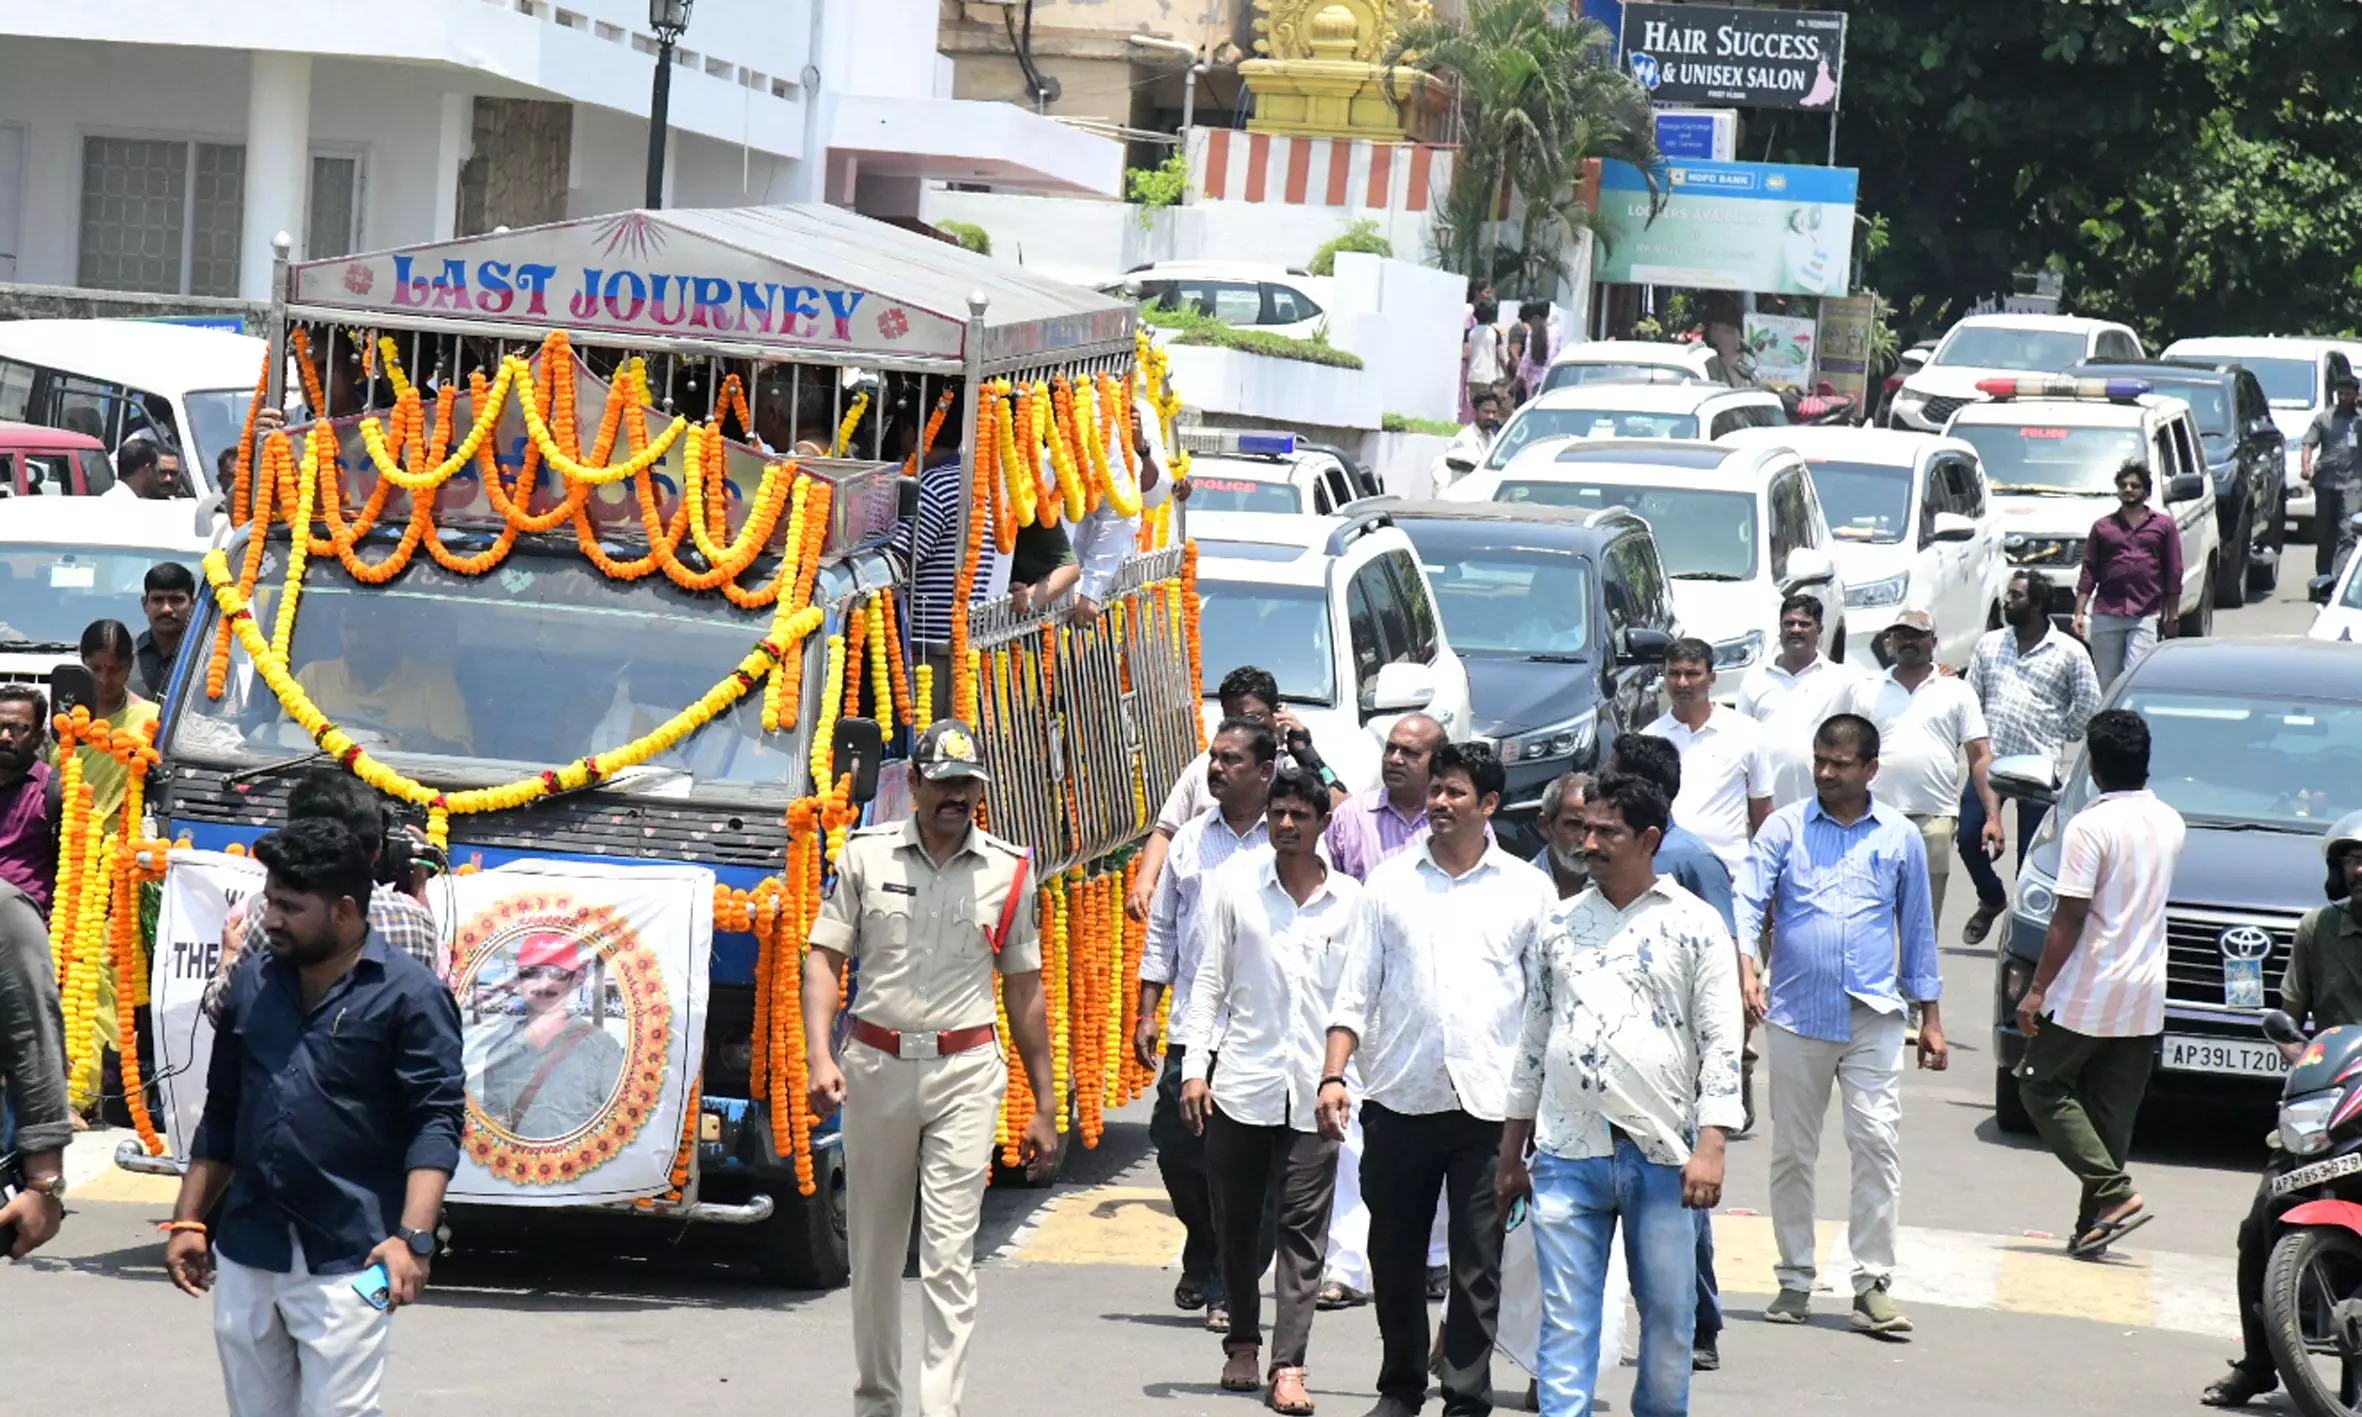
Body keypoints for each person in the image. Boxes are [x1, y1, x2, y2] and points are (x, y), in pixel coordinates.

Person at [164, 818, 466, 1417]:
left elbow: (436, 1122)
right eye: (269, 902)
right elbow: (223, 1108)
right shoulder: (251, 983)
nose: (270, 920)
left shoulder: (410, 996)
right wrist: (189, 1221)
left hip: (352, 1255)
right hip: (249, 1248)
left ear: (345, 911)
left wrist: (413, 1240)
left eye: (290, 907)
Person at [803, 719, 1059, 1417]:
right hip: (876, 1070)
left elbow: (1025, 989)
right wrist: (821, 1054)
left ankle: (938, 1408)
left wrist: (1044, 1100)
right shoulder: (864, 856)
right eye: (943, 782)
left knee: (948, 1256)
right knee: (876, 1257)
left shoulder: (1008, 870)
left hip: (966, 1072)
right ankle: (878, 1403)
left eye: (967, 784)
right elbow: (825, 958)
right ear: (912, 784)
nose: (956, 796)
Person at [1319, 742, 1555, 1417]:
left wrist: (1535, 1107)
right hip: (1399, 1097)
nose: (1441, 802)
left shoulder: (1527, 891)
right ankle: (1399, 1389)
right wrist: (1334, 1074)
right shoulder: (1390, 883)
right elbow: (1354, 991)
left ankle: (1466, 1396)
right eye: (1437, 790)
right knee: (1392, 1256)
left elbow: (1545, 1005)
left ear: (1489, 805)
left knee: (1478, 1264)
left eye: (1456, 792)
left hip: (1491, 1109)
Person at [1500, 771, 1742, 1417]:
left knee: (1667, 1319)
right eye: (1585, 828)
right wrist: (1510, 1147)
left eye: (1609, 831)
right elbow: (1535, 1034)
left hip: (1661, 1156)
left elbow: (1722, 1041)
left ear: (1650, 838)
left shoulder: (1695, 925)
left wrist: (1712, 1144)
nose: (1591, 841)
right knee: (1567, 1322)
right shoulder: (1559, 921)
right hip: (1566, 1152)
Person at [1737, 714, 1946, 1335]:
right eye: (1820, 760)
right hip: (1798, 1016)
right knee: (1793, 1153)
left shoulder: (1899, 837)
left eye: (1840, 764)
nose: (1826, 773)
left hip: (1874, 1016)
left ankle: (1872, 1282)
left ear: (1870, 770)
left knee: (1876, 1144)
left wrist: (1931, 1016)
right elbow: (1748, 899)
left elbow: (1918, 931)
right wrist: (1747, 966)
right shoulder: (1785, 827)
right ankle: (1795, 1278)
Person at [1178, 767, 1360, 1413]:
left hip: (1317, 1092)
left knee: (1302, 1231)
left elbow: (1357, 1001)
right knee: (1235, 1222)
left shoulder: (1350, 901)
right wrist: (1195, 1066)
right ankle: (1242, 1342)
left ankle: (1289, 1364)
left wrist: (1343, 1076)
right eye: (1278, 812)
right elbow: (1208, 983)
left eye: (1298, 815)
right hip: (1242, 1084)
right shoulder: (1235, 887)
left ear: (1320, 823)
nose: (1286, 825)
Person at [2011, 709, 2184, 1257]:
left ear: (2095, 768)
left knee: (2040, 1084)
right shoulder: (2170, 821)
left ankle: (2112, 1194)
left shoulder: (2091, 825)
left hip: (2093, 982)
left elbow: (2069, 915)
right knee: (2110, 1111)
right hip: (2146, 986)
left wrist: (2037, 990)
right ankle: (2096, 1224)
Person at [2204, 811, 2362, 1408]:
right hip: (2341, 1102)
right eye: (2352, 858)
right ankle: (2258, 1362)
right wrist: (2298, 1053)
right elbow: (2291, 1019)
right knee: (2261, 1223)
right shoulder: (2317, 929)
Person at [1140, 718, 1279, 1330]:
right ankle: (1204, 1246)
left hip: (1260, 1029)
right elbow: (1164, 927)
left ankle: (1230, 1283)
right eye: (1213, 758)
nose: (1215, 769)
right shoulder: (1192, 839)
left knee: (1253, 1169)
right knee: (1177, 1150)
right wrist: (1148, 1008)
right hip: (1193, 1025)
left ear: (1265, 773)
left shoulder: (1290, 839)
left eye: (1230, 760)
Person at [1602, 733, 1736, 1367]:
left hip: (1676, 1072)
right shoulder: (1596, 871)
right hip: (1611, 1075)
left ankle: (1697, 1322)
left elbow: (1725, 958)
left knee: (1687, 1210)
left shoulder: (1690, 860)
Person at [206, 769, 443, 1024]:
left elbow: (223, 1010)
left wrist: (230, 952)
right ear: (378, 849)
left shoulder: (272, 918)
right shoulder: (419, 921)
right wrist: (418, 888)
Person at [1959, 570, 2105, 945]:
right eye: (2009, 594)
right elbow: (1971, 699)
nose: (2008, 602)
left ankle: (2020, 935)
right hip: (1990, 761)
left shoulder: (2070, 651)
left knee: (2031, 858)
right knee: (1968, 836)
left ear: (2038, 604)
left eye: (2017, 596)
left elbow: (2089, 704)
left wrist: (2060, 730)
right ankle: (1991, 898)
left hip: (2038, 768)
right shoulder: (1990, 645)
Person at [1847, 610, 2007, 933]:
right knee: (1869, 918)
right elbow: (1851, 754)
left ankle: (1917, 983)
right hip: (1874, 817)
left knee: (1921, 923)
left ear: (1933, 643)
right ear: (1889, 643)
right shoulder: (1867, 690)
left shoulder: (1957, 691)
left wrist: (1993, 816)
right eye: (1901, 635)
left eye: (1917, 635)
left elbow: (1979, 756)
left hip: (1935, 817)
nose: (1908, 642)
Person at [1127, 666, 1307, 921]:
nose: (1240, 727)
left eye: (1250, 717)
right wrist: (1144, 882)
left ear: (1276, 714)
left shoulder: (1293, 769)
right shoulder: (1204, 768)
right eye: (1230, 720)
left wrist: (1306, 750)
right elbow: (1166, 830)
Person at [464, 934, 627, 1139]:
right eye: (532, 972)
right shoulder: (499, 1055)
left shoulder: (603, 1049)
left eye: (557, 972)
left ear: (576, 978)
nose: (544, 983)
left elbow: (624, 1131)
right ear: (518, 980)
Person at [1643, 638, 1773, 877]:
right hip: (1664, 876)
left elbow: (1762, 813)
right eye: (1674, 673)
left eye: (1693, 674)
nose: (1682, 682)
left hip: (1730, 874)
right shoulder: (1648, 740)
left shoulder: (1748, 732)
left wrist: (1768, 878)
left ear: (1712, 678)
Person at [1737, 593, 1871, 810]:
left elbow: (1863, 735)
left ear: (1819, 630)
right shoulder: (1755, 678)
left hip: (1824, 804)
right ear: (1779, 629)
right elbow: (1740, 740)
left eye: (1804, 624)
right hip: (1766, 805)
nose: (1795, 629)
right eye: (1789, 623)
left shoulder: (1843, 680)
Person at [296, 608, 474, 755]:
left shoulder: (435, 682)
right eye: (349, 627)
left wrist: (432, 746)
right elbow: (282, 741)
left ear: (394, 630)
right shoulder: (314, 677)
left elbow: (462, 757)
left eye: (368, 628)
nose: (356, 639)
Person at [2074, 460, 2183, 687]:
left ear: (2146, 491)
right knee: (2107, 681)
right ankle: (2108, 722)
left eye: (2135, 485)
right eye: (2123, 485)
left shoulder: (2163, 525)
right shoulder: (2103, 527)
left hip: (2145, 613)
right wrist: (2079, 613)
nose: (2128, 489)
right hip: (2107, 612)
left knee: (2136, 676)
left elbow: (2173, 570)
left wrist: (2172, 613)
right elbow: (2089, 570)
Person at [53, 618, 161, 832]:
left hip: (120, 843)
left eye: (115, 669)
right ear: (82, 662)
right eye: (95, 668)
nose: (104, 679)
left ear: (130, 665)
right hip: (63, 837)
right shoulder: (62, 715)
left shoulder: (151, 717)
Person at [1325, 713, 1448, 884]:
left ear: (1437, 762)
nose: (1394, 759)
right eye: (1390, 749)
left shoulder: (1459, 817)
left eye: (1410, 752)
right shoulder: (1350, 816)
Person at [0, 684, 60, 914]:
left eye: (17, 729)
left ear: (38, 737)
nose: (5, 736)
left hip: (26, 933)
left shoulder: (56, 792)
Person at [2302, 375, 2362, 579]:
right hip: (2326, 483)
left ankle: (2340, 576)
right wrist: (2306, 466)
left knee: (2348, 531)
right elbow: (2309, 444)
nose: (2343, 397)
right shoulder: (2323, 418)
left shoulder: (2360, 420)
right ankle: (2324, 576)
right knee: (2325, 533)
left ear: (2356, 394)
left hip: (2352, 485)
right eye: (2340, 393)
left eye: (2348, 393)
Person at [135, 561, 198, 702]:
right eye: (158, 600)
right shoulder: (122, 656)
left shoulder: (209, 660)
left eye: (176, 600)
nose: (166, 609)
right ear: (145, 604)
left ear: (193, 605)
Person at [1530, 772, 1593, 899]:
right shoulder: (1516, 887)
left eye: (1592, 828)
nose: (1584, 840)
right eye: (1573, 825)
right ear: (1546, 825)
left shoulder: (1619, 889)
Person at [1466, 299, 1509, 413]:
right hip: (1489, 376)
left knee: (1474, 407)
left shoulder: (1470, 332)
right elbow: (1501, 357)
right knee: (1488, 407)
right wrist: (1506, 374)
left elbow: (1466, 353)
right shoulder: (1494, 333)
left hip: (1473, 375)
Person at [104, 435, 178, 500]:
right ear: (147, 469)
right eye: (162, 472)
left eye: (173, 473)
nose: (169, 478)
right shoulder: (114, 504)